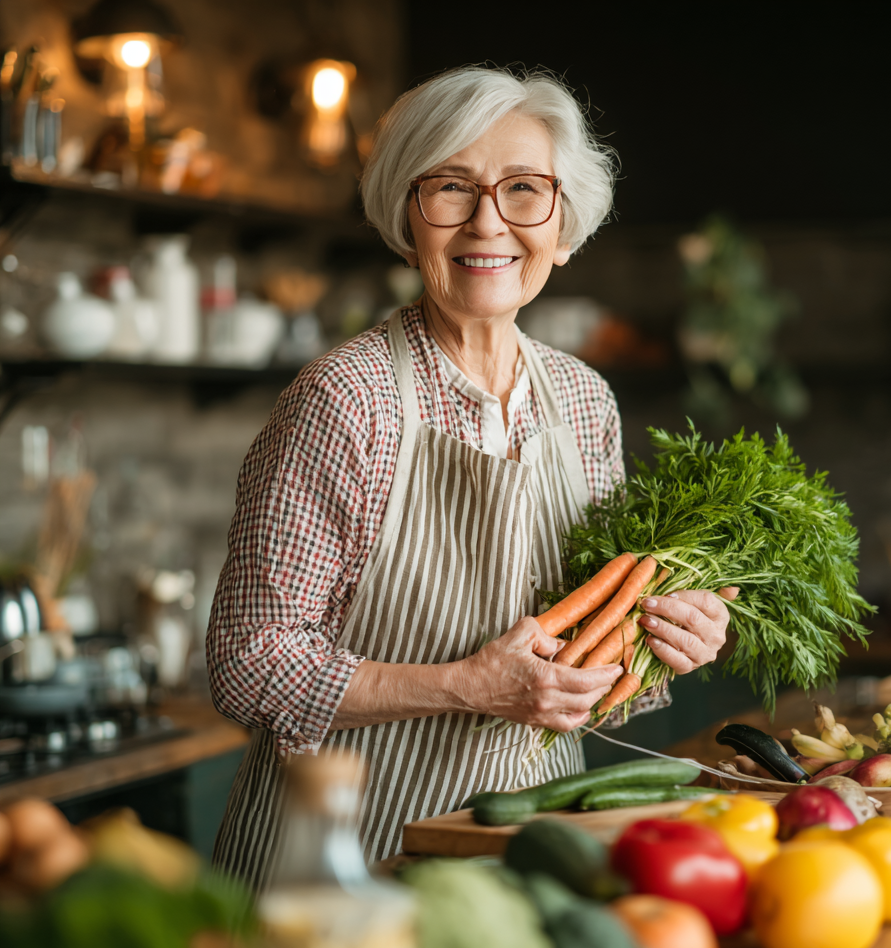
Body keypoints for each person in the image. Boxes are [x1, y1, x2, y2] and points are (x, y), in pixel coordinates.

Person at [208, 66, 735, 887]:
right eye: (451, 188)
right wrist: (464, 686)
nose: (488, 222)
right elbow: (249, 662)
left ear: (562, 226)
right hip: (339, 872)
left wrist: (663, 645)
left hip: (516, 860)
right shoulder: (346, 400)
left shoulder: (584, 402)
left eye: (524, 189)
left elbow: (575, 671)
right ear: (406, 219)